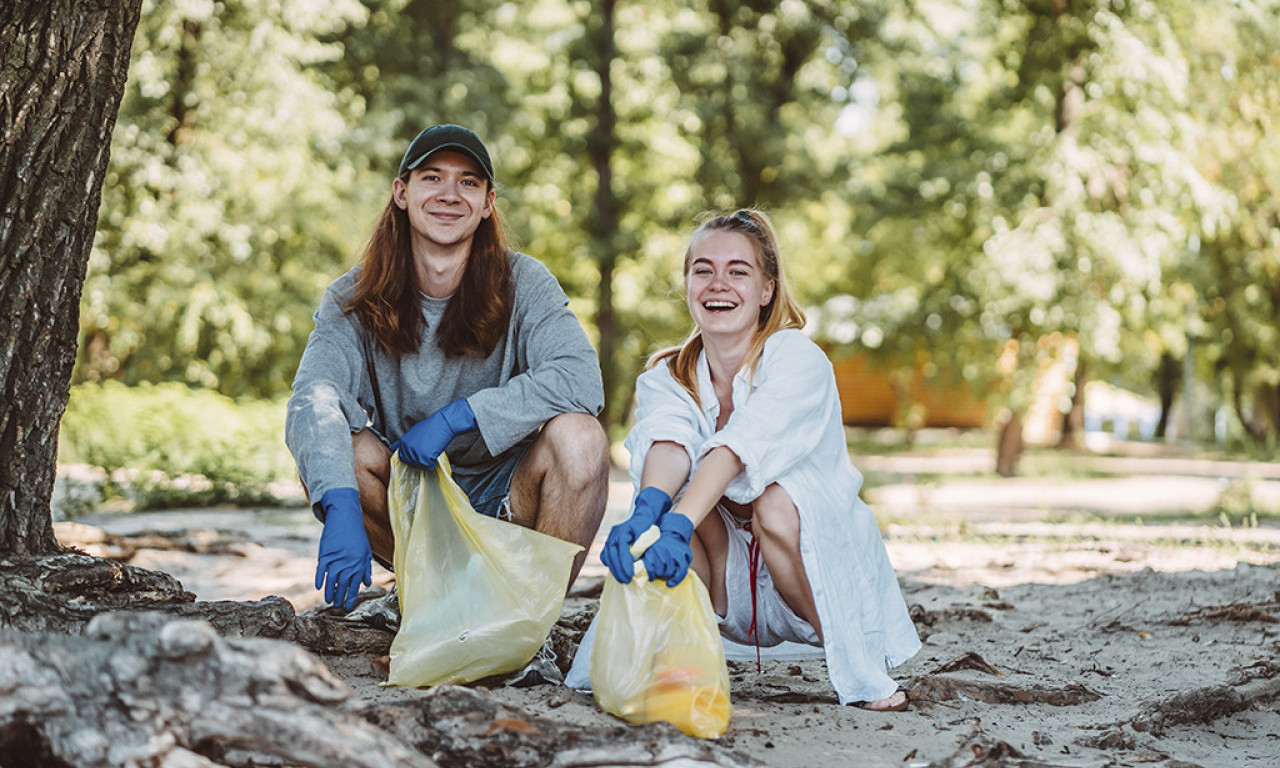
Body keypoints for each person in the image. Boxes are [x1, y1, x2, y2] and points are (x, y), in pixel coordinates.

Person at [599, 209, 920, 710]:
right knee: (662, 497)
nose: (717, 283)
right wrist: (647, 516)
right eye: (702, 269)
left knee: (773, 501)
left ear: (767, 288)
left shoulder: (796, 358)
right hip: (723, 575)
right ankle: (680, 661)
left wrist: (679, 522)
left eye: (738, 271)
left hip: (805, 573)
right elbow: (668, 441)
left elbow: (742, 444)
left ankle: (857, 668)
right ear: (686, 283)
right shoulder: (666, 374)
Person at [286, 124, 609, 616]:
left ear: (488, 203)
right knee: (336, 448)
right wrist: (340, 505)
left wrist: (462, 415)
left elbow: (581, 378)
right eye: (432, 178)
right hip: (412, 497)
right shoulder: (353, 297)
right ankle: (433, 601)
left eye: (468, 182)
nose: (449, 194)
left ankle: (528, 624)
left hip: (510, 496)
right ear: (402, 192)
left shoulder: (525, 281)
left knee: (581, 437)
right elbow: (313, 396)